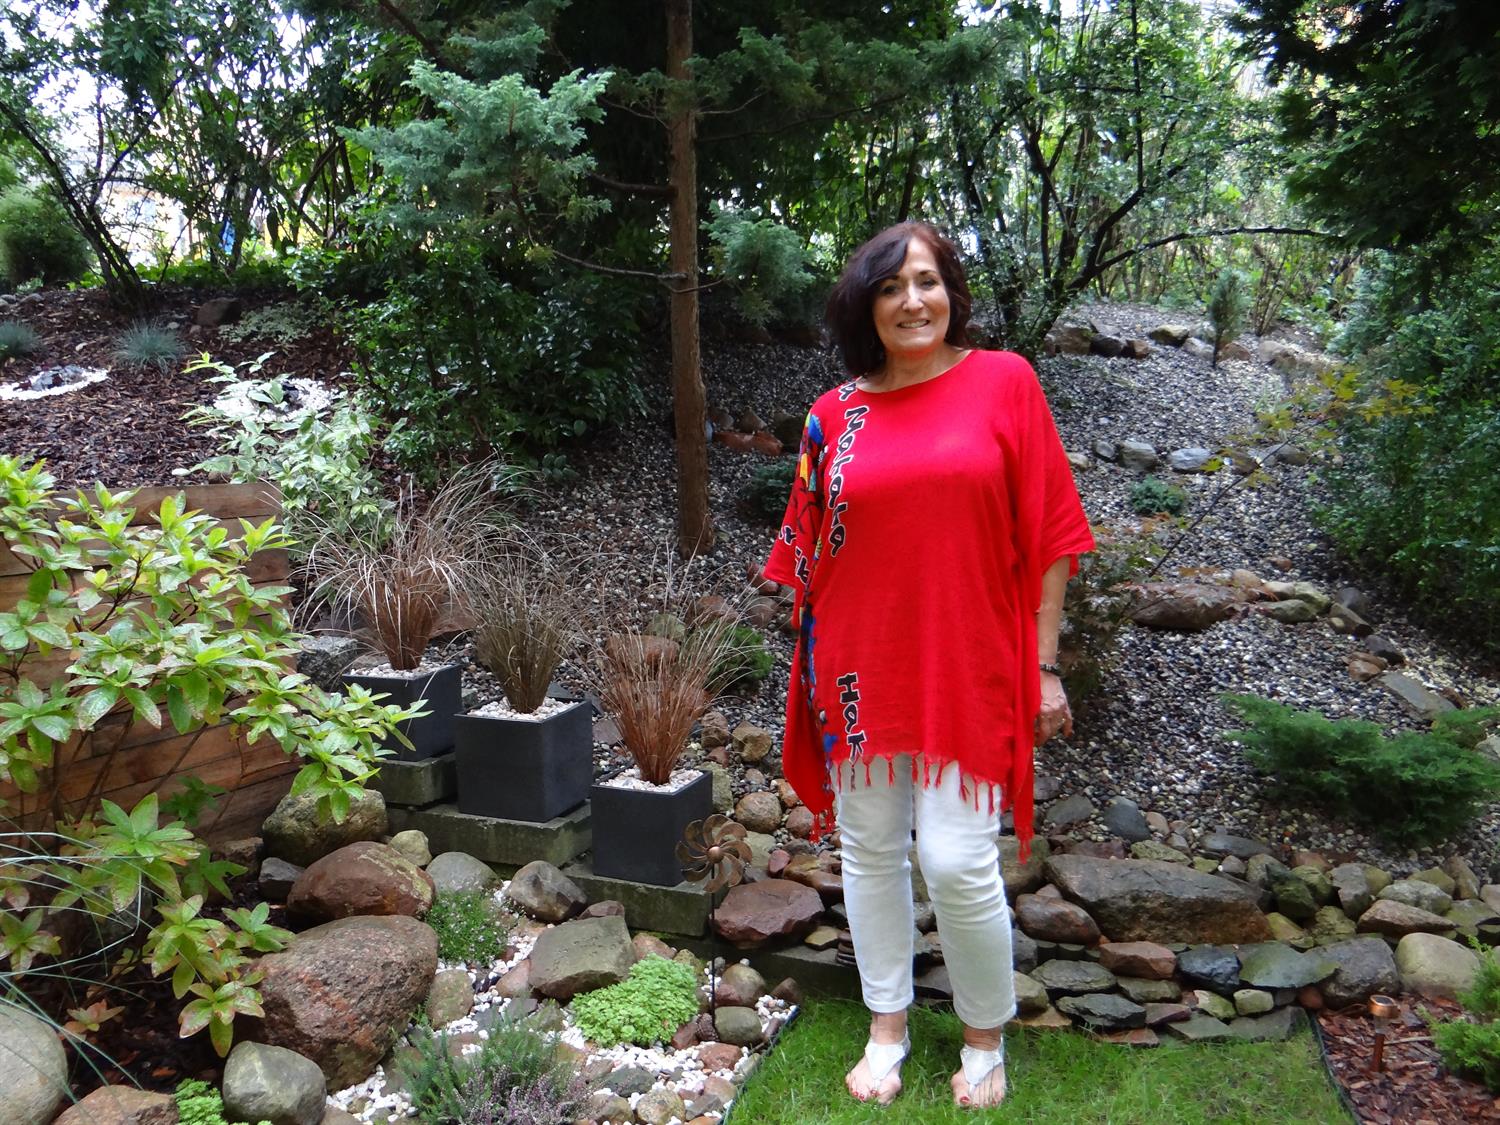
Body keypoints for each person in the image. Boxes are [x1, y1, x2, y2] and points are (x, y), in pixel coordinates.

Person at [762, 221, 1094, 1109]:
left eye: (927, 281)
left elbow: (1051, 532)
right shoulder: (833, 414)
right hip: (857, 663)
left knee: (954, 858)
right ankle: (888, 1025)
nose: (912, 301)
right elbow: (807, 550)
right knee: (870, 850)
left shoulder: (1005, 382)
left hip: (969, 659)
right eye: (890, 287)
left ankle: (985, 1035)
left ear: (951, 292)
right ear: (865, 306)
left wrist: (1044, 665)